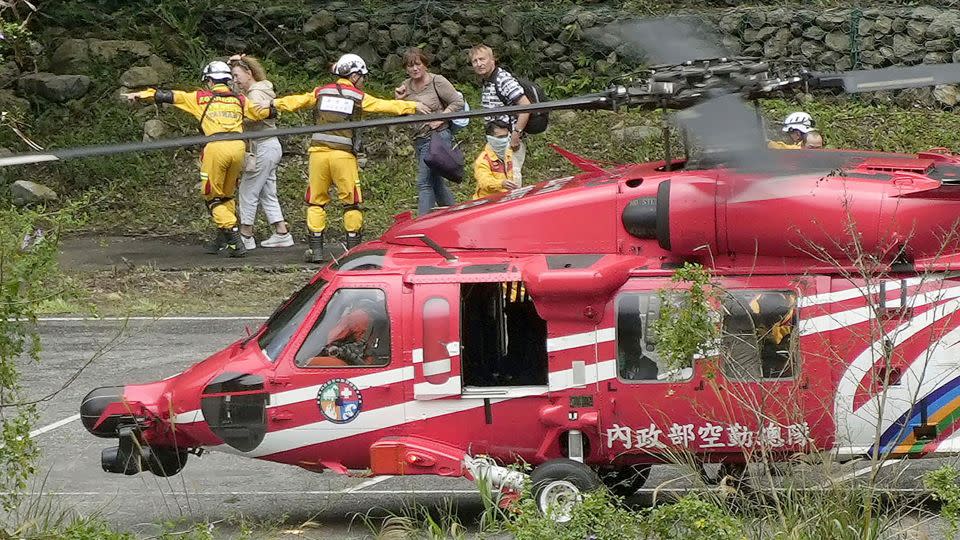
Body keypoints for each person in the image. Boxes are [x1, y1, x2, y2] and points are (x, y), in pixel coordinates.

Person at [267, 53, 427, 263]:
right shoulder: (357, 97)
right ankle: (352, 252)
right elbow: (382, 105)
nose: (363, 81)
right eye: (362, 77)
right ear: (353, 76)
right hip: (343, 157)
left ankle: (316, 251)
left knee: (316, 202)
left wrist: (273, 104)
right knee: (351, 203)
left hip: (318, 155)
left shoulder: (321, 92)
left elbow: (297, 101)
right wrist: (412, 106)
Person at [123, 61, 268, 257]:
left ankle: (234, 238)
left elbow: (168, 95)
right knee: (226, 195)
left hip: (216, 148)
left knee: (212, 197)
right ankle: (221, 240)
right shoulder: (239, 99)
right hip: (238, 147)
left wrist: (139, 95)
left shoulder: (200, 98)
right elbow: (262, 112)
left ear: (209, 81)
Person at [227, 55, 293, 250]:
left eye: (237, 75)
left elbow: (253, 116)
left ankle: (246, 234)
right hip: (269, 145)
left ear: (249, 73)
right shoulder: (263, 89)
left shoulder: (255, 94)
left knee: (248, 190)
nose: (235, 80)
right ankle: (281, 232)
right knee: (267, 192)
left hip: (263, 146)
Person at [394, 47, 464, 216]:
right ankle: (454, 216)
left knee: (424, 182)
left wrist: (441, 117)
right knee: (437, 182)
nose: (414, 69)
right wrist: (398, 100)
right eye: (410, 66)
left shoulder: (436, 81)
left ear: (425, 64)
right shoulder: (406, 86)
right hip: (419, 139)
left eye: (418, 64)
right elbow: (403, 112)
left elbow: (458, 101)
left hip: (437, 138)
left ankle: (422, 224)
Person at [469, 44, 531, 184]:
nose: (479, 64)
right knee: (499, 179)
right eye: (475, 61)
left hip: (509, 139)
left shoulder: (503, 79)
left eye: (482, 59)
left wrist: (516, 134)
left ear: (492, 60)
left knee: (512, 179)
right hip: (496, 140)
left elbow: (526, 106)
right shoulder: (487, 81)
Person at [473, 120, 517, 199]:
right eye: (500, 137)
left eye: (506, 136)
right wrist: (501, 183)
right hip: (488, 202)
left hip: (506, 198)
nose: (504, 140)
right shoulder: (483, 160)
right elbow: (484, 182)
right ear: (490, 138)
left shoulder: (508, 153)